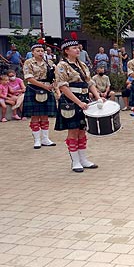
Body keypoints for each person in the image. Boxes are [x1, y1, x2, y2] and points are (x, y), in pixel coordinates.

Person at [54, 36, 100, 173]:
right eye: (74, 48)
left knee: (82, 130)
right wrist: (79, 102)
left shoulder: (82, 64)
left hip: (84, 99)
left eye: (78, 47)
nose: (78, 49)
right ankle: (75, 161)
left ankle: (84, 159)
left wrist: (98, 97)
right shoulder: (62, 66)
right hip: (70, 101)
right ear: (66, 51)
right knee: (73, 131)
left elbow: (89, 82)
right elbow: (63, 87)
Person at [21, 41, 58, 149]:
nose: (40, 53)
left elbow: (55, 76)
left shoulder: (49, 62)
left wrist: (53, 85)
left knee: (45, 115)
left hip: (47, 88)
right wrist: (43, 86)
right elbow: (29, 78)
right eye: (38, 51)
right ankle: (37, 140)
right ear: (32, 52)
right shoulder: (28, 62)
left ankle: (45, 139)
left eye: (42, 50)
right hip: (34, 88)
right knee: (35, 115)